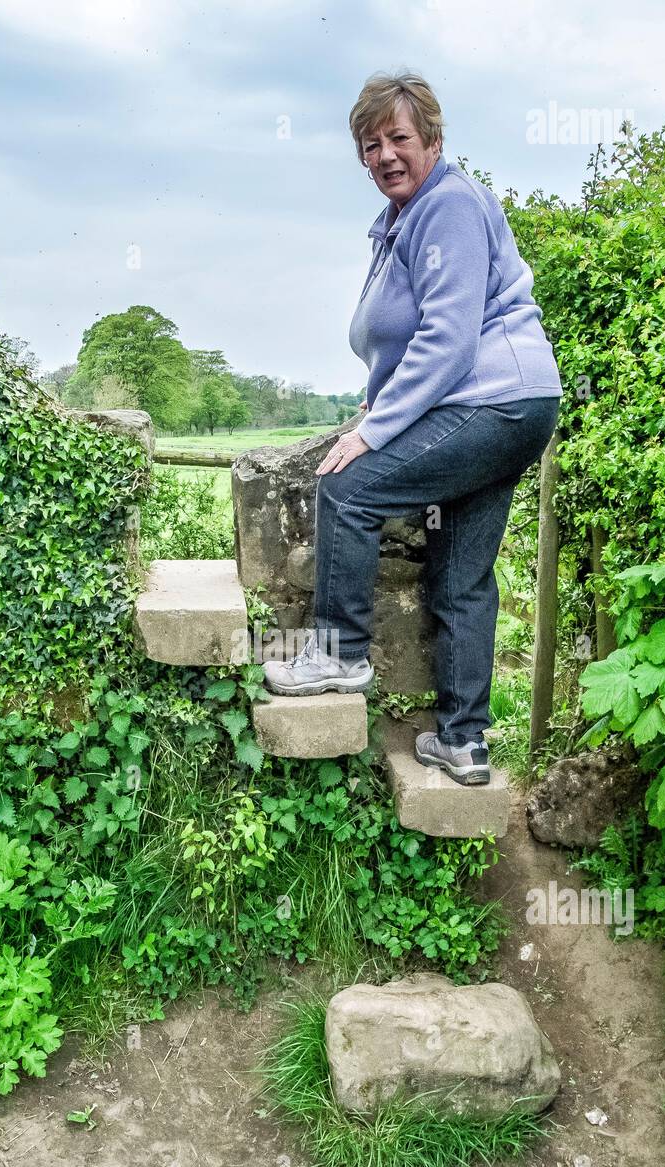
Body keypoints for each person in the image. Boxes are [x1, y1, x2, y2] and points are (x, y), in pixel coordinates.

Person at [262, 70, 562, 787]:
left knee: (348, 486)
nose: (385, 154)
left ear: (430, 137)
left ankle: (338, 652)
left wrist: (372, 432)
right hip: (509, 406)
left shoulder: (448, 205)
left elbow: (447, 339)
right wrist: (384, 402)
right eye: (370, 145)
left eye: (398, 137)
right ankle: (462, 742)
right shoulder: (402, 221)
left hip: (491, 401)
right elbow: (402, 342)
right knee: (459, 575)